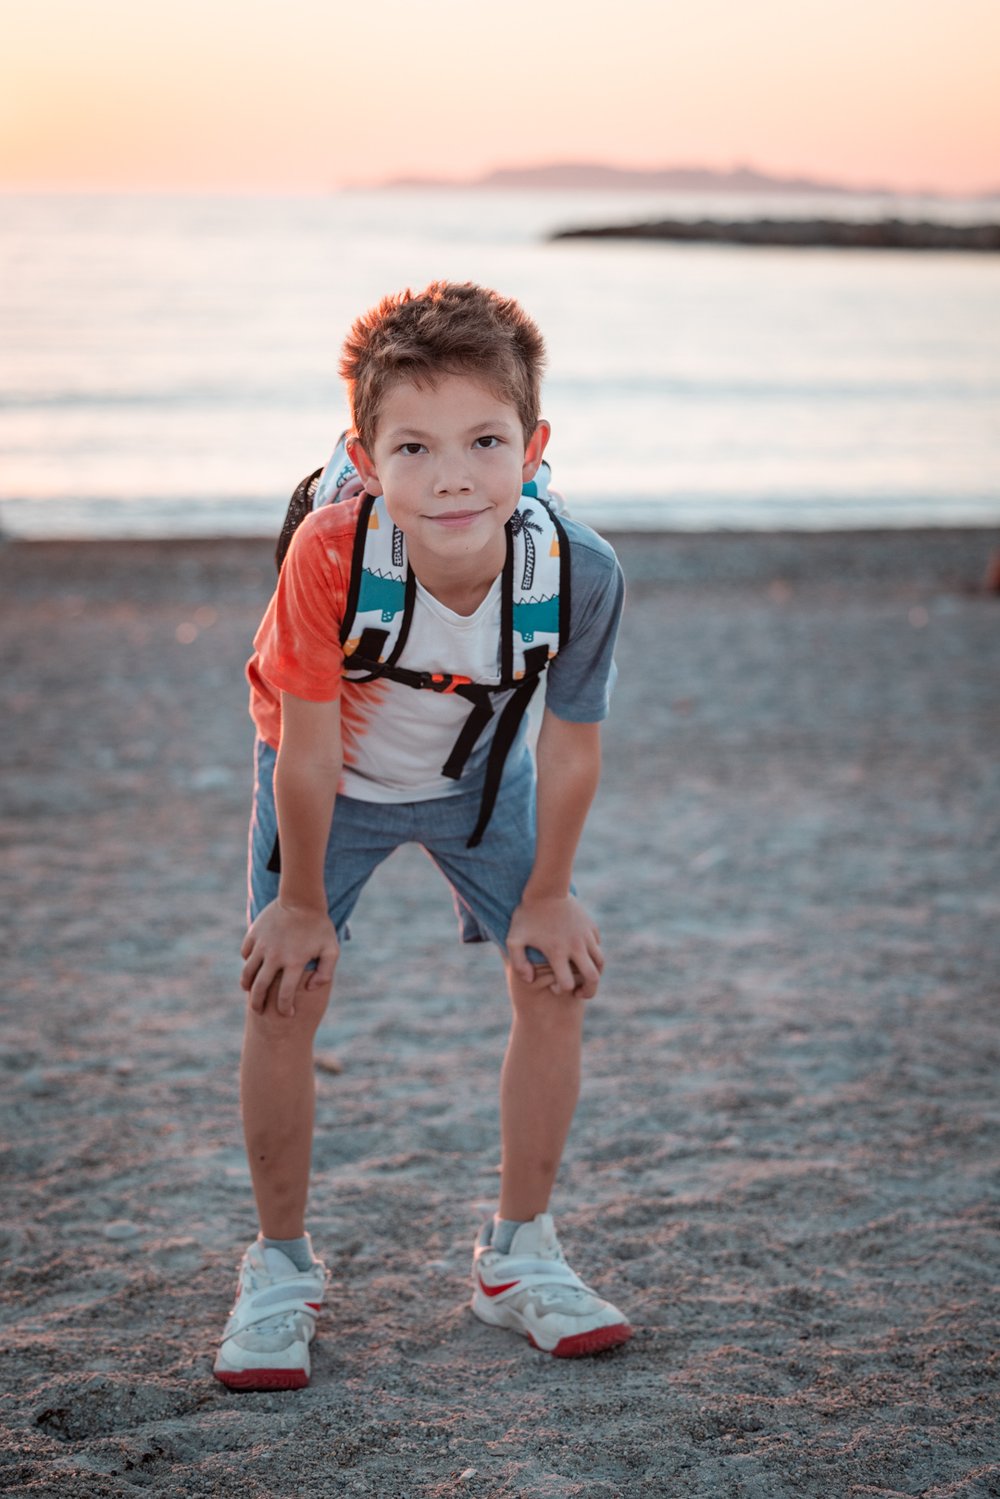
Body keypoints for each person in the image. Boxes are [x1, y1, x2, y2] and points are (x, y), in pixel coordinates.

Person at [214, 281, 631, 1390]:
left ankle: (519, 1254)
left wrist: (550, 889)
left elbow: (573, 744)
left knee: (555, 976)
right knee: (283, 984)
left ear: (533, 446)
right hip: (330, 780)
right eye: (415, 445)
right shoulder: (330, 552)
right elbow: (302, 746)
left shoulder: (580, 571)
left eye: (485, 439)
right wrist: (299, 900)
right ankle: (280, 1266)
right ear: (368, 453)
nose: (453, 474)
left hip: (474, 783)